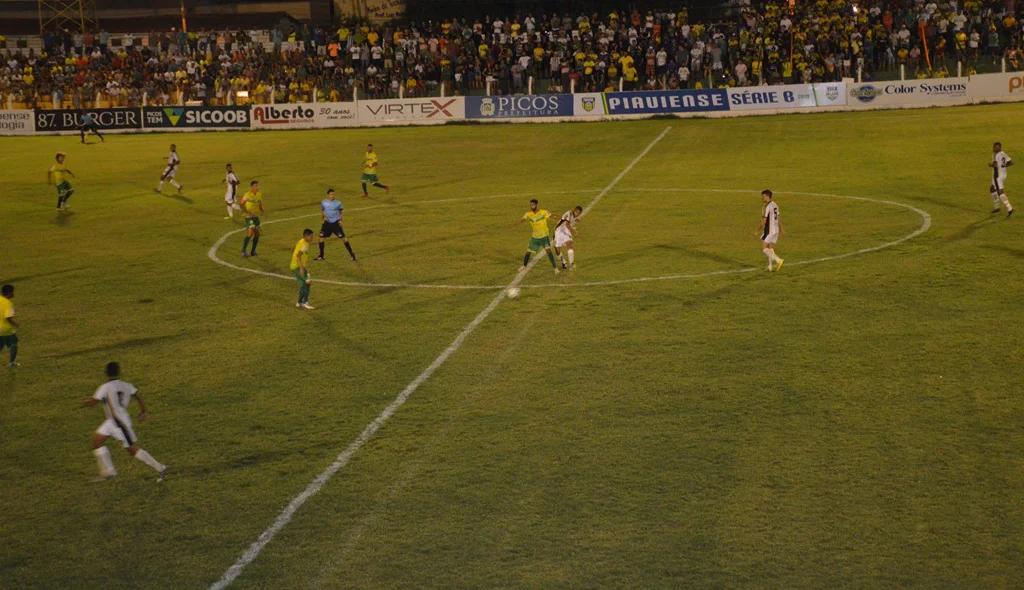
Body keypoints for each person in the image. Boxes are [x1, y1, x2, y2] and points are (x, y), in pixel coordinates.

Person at [82, 362, 167, 482]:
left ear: (106, 373)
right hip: (112, 422)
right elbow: (138, 396)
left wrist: (86, 403)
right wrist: (143, 411)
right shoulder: (126, 385)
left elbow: (93, 402)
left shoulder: (105, 387)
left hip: (121, 424)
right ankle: (109, 472)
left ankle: (160, 468)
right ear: (119, 372)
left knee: (132, 450)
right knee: (96, 441)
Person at [514, 199, 560, 274]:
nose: (531, 206)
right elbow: (522, 219)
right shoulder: (528, 214)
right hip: (535, 237)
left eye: (533, 204)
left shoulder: (543, 212)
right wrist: (515, 224)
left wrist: (562, 219)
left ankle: (555, 268)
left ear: (536, 205)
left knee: (549, 252)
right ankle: (524, 266)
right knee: (528, 252)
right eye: (531, 205)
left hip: (544, 237)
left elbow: (552, 216)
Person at [314, 189, 356, 261]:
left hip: (335, 224)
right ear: (327, 195)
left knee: (344, 239)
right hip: (327, 224)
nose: (333, 196)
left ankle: (352, 254)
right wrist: (323, 217)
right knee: (321, 238)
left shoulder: (338, 203)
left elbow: (341, 211)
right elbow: (322, 210)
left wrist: (340, 220)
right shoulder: (324, 202)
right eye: (331, 194)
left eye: (334, 194)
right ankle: (321, 255)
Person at [756, 189, 784, 271]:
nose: (762, 198)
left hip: (769, 230)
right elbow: (778, 218)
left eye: (763, 196)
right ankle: (770, 266)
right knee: (770, 248)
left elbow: (763, 222)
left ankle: (778, 260)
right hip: (776, 230)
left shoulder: (767, 207)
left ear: (767, 197)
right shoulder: (775, 205)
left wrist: (757, 231)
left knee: (764, 248)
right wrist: (781, 229)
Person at [291, 229, 315, 309]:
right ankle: (305, 302)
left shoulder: (301, 241)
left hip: (294, 265)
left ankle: (299, 302)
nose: (312, 238)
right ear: (306, 236)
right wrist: (301, 268)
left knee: (304, 284)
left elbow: (293, 249)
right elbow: (298, 255)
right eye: (311, 236)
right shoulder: (305, 245)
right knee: (307, 282)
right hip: (298, 266)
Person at [554, 206, 583, 270]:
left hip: (566, 231)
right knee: (557, 251)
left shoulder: (575, 216)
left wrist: (576, 220)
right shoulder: (569, 214)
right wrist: (574, 232)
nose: (577, 214)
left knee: (570, 245)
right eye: (577, 212)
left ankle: (571, 264)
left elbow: (571, 222)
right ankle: (564, 262)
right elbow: (567, 224)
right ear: (574, 210)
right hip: (559, 231)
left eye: (579, 213)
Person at [990, 142, 1014, 218]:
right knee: (992, 189)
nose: (995, 149)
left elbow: (995, 165)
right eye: (994, 147)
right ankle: (997, 207)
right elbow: (1011, 162)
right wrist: (1003, 166)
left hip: (997, 176)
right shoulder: (1004, 154)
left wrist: (990, 165)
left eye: (996, 147)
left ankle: (1009, 208)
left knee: (1000, 192)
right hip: (1003, 174)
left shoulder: (995, 155)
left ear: (1000, 148)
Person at [240, 180, 264, 257]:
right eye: (256, 186)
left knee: (257, 234)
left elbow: (259, 204)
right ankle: (243, 251)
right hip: (248, 217)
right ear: (252, 187)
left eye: (258, 185)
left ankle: (253, 251)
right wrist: (248, 211)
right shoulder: (247, 195)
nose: (257, 187)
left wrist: (263, 211)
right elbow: (241, 205)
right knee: (250, 233)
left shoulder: (259, 194)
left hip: (256, 217)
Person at [0, 284, 19, 368]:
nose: (13, 294)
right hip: (5, 328)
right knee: (13, 343)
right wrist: (15, 324)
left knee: (0, 345)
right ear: (9, 293)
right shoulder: (8, 303)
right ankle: (11, 363)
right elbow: (8, 317)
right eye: (12, 292)